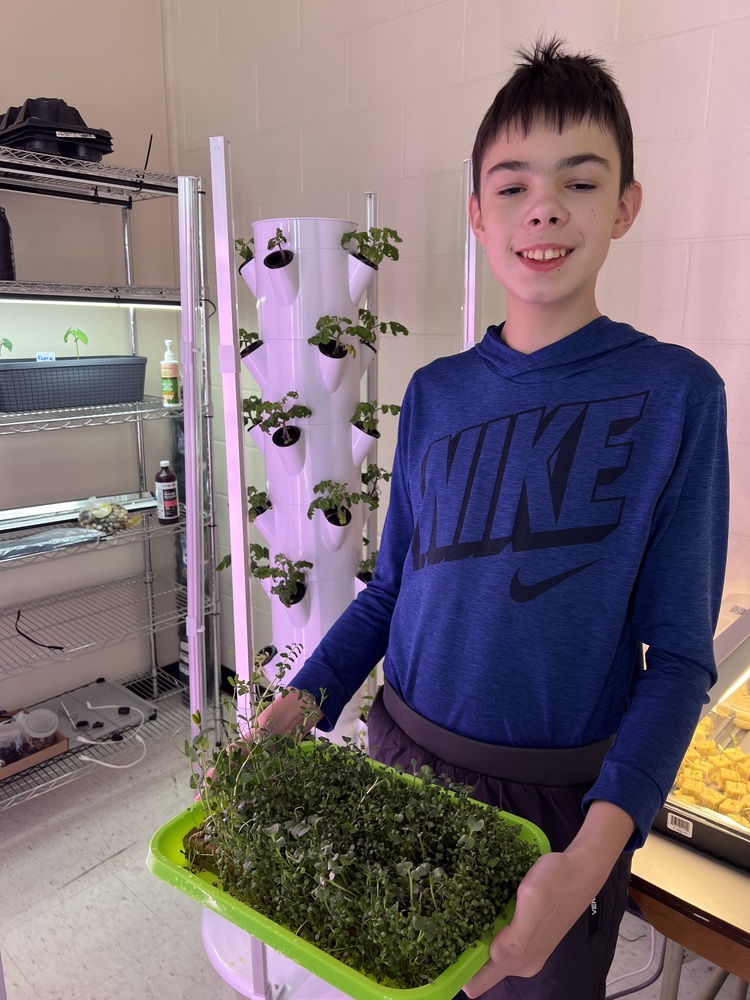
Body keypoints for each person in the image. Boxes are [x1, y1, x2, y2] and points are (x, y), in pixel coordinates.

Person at [254, 37, 729, 999]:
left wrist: (590, 859)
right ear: (477, 213)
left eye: (579, 182)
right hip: (398, 767)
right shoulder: (435, 393)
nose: (543, 209)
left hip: (554, 814)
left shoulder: (677, 394)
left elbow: (679, 661)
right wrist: (299, 704)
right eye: (512, 187)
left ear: (625, 205)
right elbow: (391, 591)